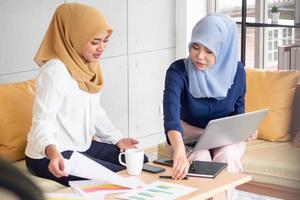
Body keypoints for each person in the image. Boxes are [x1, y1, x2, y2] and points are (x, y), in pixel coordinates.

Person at [25, 3, 148, 186]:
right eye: (94, 42)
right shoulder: (55, 71)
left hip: (81, 147)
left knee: (140, 161)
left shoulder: (88, 65)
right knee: (116, 178)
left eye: (105, 40)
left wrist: (117, 139)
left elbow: (95, 111)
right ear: (75, 37)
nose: (101, 48)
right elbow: (42, 122)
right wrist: (53, 153)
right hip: (49, 155)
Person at [163, 14, 256, 199]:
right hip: (190, 136)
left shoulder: (236, 72)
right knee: (201, 158)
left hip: (226, 139)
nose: (200, 56)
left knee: (228, 156)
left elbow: (239, 111)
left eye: (209, 51)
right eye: (195, 47)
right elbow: (171, 116)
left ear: (223, 50)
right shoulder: (177, 71)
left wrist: (246, 129)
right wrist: (179, 150)